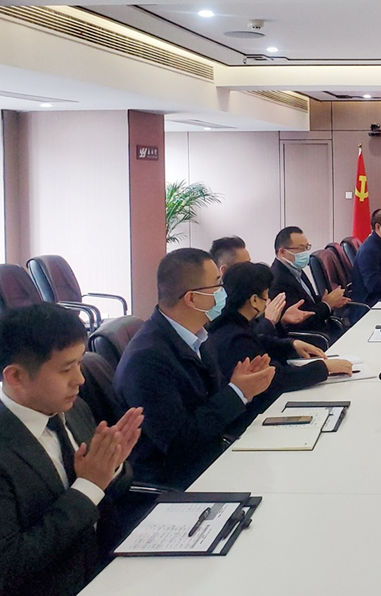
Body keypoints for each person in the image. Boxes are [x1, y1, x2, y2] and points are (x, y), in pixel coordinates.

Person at [0, 303, 143, 596]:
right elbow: (10, 564)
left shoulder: (73, 407)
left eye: (79, 363)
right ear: (15, 376)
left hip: (109, 568)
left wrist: (111, 467)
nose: (80, 379)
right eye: (66, 369)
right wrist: (89, 486)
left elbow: (108, 496)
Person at [115, 248, 275, 488]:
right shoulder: (147, 360)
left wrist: (242, 387)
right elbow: (179, 442)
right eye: (217, 284)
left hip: (212, 457)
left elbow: (209, 406)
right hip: (177, 481)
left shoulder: (198, 336)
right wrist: (237, 393)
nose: (223, 292)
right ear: (192, 298)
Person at [207, 262, 354, 423]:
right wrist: (324, 367)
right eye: (266, 296)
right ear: (254, 300)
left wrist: (292, 344)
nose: (268, 301)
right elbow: (277, 379)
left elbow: (259, 340)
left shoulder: (231, 323)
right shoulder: (235, 338)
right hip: (252, 417)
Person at [210, 235, 313, 333]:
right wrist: (268, 322)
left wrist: (282, 321)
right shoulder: (216, 307)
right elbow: (245, 339)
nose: (251, 269)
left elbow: (261, 335)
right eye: (246, 265)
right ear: (224, 271)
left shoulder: (247, 294)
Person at [269, 226, 349, 342]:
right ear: (282, 252)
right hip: (310, 339)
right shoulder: (277, 280)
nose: (305, 253)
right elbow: (302, 320)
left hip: (324, 329)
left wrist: (327, 300)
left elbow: (308, 301)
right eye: (301, 248)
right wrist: (327, 304)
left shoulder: (295, 270)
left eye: (307, 247)